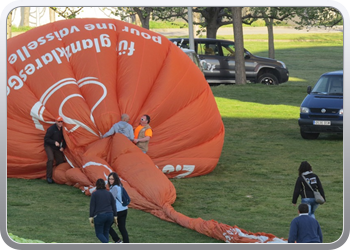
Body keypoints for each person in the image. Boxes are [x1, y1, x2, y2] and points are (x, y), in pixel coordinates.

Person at [89, 178, 118, 243]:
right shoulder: (109, 193)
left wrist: (91, 217)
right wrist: (115, 216)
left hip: (100, 215)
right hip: (110, 214)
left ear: (96, 185)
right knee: (106, 231)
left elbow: (92, 206)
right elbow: (113, 205)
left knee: (99, 233)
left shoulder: (95, 194)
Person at [44, 116, 66, 184]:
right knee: (51, 159)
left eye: (61, 122)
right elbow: (46, 139)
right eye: (59, 122)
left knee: (60, 160)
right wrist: (54, 142)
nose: (60, 123)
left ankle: (58, 177)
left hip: (57, 147)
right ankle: (49, 177)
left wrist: (63, 147)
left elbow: (65, 139)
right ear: (56, 122)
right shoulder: (51, 129)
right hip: (49, 146)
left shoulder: (62, 129)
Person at [108, 172, 129, 243]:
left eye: (112, 179)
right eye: (109, 179)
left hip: (117, 211)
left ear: (115, 179)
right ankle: (126, 243)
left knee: (106, 225)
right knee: (122, 228)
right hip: (124, 209)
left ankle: (117, 240)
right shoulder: (120, 186)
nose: (110, 181)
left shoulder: (114, 188)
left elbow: (111, 200)